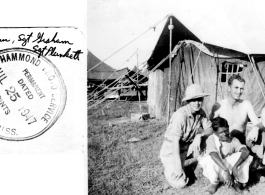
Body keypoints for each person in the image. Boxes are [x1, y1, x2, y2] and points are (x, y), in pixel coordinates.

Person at [159, 84, 213, 189]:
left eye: (199, 99)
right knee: (181, 184)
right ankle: (169, 168)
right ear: (188, 101)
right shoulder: (180, 115)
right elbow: (175, 143)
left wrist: (199, 135)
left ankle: (206, 164)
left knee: (211, 138)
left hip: (186, 148)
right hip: (171, 151)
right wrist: (178, 167)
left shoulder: (201, 113)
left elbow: (210, 129)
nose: (197, 103)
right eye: (194, 100)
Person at [210, 74, 265, 166]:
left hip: (240, 143)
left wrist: (256, 128)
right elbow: (210, 127)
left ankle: (258, 158)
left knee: (262, 132)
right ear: (229, 88)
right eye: (236, 87)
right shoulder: (218, 106)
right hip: (224, 143)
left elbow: (260, 124)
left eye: (241, 88)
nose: (239, 91)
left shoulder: (246, 104)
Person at [199, 117, 252, 194]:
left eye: (226, 130)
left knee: (246, 156)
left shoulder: (233, 139)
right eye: (221, 132)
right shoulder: (211, 139)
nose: (225, 133)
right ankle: (215, 184)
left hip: (230, 172)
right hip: (218, 170)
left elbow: (246, 151)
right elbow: (213, 154)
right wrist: (225, 170)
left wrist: (235, 166)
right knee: (209, 158)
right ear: (215, 132)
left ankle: (238, 183)